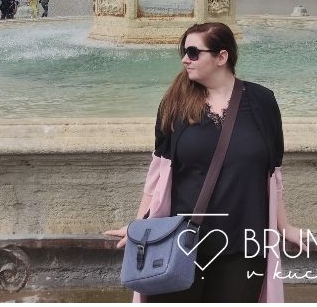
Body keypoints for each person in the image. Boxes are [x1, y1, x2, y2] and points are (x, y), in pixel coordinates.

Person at [104, 22, 300, 302]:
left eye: (194, 52)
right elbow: (158, 175)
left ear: (222, 57)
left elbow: (273, 176)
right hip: (180, 245)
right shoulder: (175, 103)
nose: (185, 59)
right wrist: (140, 228)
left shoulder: (262, 101)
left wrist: (285, 226)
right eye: (184, 52)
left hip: (244, 247)